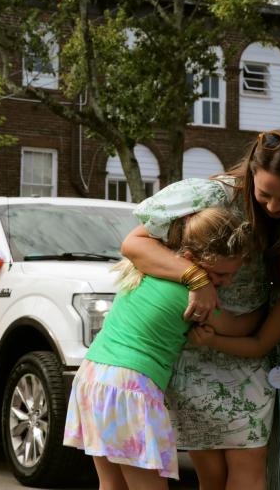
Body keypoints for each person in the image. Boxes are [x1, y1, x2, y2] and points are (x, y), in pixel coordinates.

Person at [122, 130, 280, 490]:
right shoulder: (212, 195)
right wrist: (197, 280)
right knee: (211, 477)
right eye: (264, 194)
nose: (274, 207)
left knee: (250, 470)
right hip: (197, 350)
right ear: (251, 172)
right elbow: (134, 244)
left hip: (247, 355)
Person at [64, 205, 249, 488]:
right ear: (189, 259)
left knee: (111, 485)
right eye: (219, 275)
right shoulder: (194, 297)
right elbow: (238, 327)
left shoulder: (147, 266)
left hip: (92, 377)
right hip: (130, 387)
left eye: (232, 275)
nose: (225, 283)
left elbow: (143, 228)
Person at [190, 230, 280, 490]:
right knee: (275, 462)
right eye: (279, 259)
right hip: (279, 379)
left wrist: (212, 341)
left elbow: (260, 343)